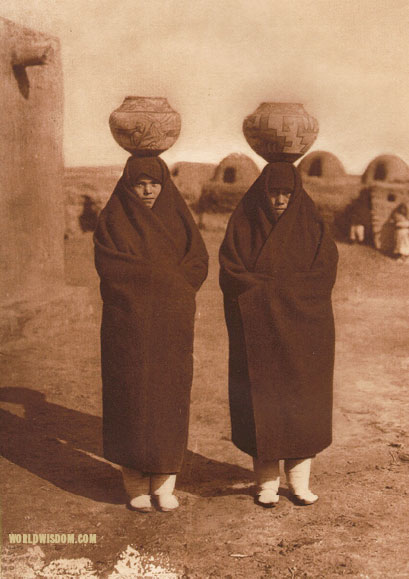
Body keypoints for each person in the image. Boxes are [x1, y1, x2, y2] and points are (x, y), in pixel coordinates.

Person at [219, 162, 338, 507]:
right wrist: (269, 295)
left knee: (302, 402)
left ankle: (299, 483)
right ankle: (266, 483)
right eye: (274, 192)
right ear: (263, 193)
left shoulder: (312, 225)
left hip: (305, 330)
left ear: (296, 193)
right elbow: (231, 272)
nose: (280, 200)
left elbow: (324, 273)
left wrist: (276, 293)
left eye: (287, 193)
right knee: (262, 403)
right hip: (257, 332)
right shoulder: (243, 224)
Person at [94, 156, 208, 512]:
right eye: (139, 184)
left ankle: (164, 483)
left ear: (164, 184)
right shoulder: (113, 219)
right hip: (127, 324)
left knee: (167, 397)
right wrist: (163, 278)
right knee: (131, 396)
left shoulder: (178, 218)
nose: (147, 190)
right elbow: (111, 266)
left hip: (171, 324)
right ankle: (134, 485)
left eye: (154, 183)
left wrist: (170, 286)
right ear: (128, 185)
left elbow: (198, 263)